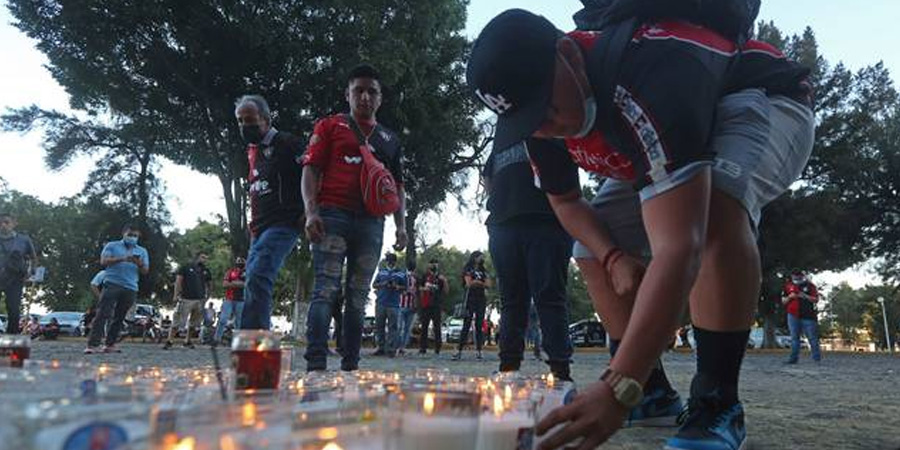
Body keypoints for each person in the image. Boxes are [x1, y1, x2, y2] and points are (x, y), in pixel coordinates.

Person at [467, 9, 814, 450]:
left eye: (546, 105)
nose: (545, 126)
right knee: (591, 248)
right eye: (528, 118)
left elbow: (680, 246)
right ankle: (652, 392)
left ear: (569, 53)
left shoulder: (646, 74)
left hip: (761, 97)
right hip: (674, 133)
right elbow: (567, 202)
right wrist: (613, 256)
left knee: (715, 212)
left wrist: (617, 387)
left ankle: (717, 402)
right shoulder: (539, 124)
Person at [301, 64, 407, 372]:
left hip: (372, 222)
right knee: (325, 289)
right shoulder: (329, 126)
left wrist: (401, 226)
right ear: (347, 94)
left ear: (380, 98)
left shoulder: (390, 139)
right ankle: (316, 365)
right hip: (331, 215)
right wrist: (311, 212)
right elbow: (311, 169)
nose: (365, 97)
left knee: (359, 296)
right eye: (358, 90)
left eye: (372, 91)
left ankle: (351, 366)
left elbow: (397, 186)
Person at [482, 139, 575, 379]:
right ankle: (509, 367)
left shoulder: (554, 133)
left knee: (549, 296)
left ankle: (560, 370)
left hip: (547, 221)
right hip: (505, 225)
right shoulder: (502, 139)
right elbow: (488, 178)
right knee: (512, 299)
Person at [235, 95, 306, 330]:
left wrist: (311, 209)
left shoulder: (288, 143)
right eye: (240, 121)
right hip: (258, 227)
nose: (244, 126)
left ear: (265, 119)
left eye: (249, 119)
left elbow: (314, 174)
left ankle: (255, 340)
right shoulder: (252, 151)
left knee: (259, 274)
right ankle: (252, 338)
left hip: (284, 221)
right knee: (251, 280)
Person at [85, 223, 149, 354]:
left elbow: (145, 271)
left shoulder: (142, 251)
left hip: (131, 287)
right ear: (123, 234)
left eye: (135, 236)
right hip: (112, 283)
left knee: (120, 317)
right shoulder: (112, 246)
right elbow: (103, 261)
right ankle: (93, 344)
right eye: (130, 235)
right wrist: (123, 258)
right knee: (103, 314)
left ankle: (110, 344)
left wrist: (139, 263)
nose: (132, 237)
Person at [0, 212, 39, 335]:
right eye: (0, 223)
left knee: (13, 308)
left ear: (14, 223)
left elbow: (33, 257)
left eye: (6, 222)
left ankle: (12, 336)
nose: (3, 225)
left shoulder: (23, 239)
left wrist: (31, 271)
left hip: (15, 278)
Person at [163, 251, 212, 349]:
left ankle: (187, 340)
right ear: (197, 257)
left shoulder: (206, 270)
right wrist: (176, 295)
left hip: (199, 300)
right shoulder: (185, 267)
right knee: (178, 321)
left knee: (194, 323)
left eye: (206, 258)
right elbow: (178, 281)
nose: (204, 260)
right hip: (186, 298)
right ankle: (170, 340)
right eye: (202, 257)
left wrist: (207, 297)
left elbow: (209, 284)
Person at [453, 251, 492, 361]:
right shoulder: (468, 269)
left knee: (479, 325)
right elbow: (468, 283)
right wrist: (479, 283)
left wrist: (477, 282)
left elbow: (488, 284)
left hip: (481, 299)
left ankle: (479, 350)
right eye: (480, 257)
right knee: (466, 324)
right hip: (470, 299)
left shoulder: (483, 271)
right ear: (475, 258)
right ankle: (459, 350)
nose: (481, 259)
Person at [782, 271, 822, 363]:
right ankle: (793, 359)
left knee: (812, 337)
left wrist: (805, 296)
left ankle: (817, 359)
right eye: (794, 275)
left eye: (798, 275)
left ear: (802, 276)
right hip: (792, 315)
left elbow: (816, 299)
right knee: (794, 338)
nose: (796, 277)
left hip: (808, 315)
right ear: (792, 276)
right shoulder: (788, 286)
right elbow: (783, 301)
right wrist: (790, 297)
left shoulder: (810, 286)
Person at [372, 253, 406, 357]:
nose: (390, 263)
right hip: (381, 302)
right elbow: (374, 285)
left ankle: (391, 349)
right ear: (386, 261)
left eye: (392, 261)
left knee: (393, 327)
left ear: (395, 262)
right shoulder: (381, 272)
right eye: (389, 261)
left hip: (394, 303)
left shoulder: (401, 273)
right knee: (379, 326)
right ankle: (381, 347)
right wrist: (383, 284)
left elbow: (405, 287)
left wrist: (397, 286)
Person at [418, 258, 448, 355]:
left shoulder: (440, 277)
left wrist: (445, 281)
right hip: (426, 304)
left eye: (435, 264)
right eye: (432, 264)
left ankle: (438, 347)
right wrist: (424, 289)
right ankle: (423, 347)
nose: (434, 265)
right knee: (424, 326)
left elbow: (446, 291)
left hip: (436, 304)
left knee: (437, 326)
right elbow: (419, 287)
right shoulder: (425, 276)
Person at [216, 257, 246, 344]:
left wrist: (233, 283)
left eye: (242, 260)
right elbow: (225, 284)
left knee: (239, 323)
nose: (240, 262)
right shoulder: (230, 272)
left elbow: (248, 284)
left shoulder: (247, 273)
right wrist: (239, 284)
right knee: (223, 319)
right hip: (229, 299)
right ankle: (216, 339)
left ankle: (238, 342)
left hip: (241, 300)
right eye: (238, 260)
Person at [397, 259, 419, 355]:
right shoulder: (403, 276)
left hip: (408, 304)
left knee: (405, 328)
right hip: (404, 304)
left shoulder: (414, 277)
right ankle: (400, 346)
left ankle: (401, 347)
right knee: (403, 328)